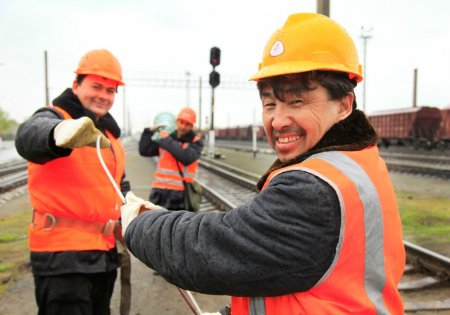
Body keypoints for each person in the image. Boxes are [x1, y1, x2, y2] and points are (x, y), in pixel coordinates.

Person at [122, 12, 405, 315]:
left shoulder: (316, 189)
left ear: (344, 105)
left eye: (297, 101)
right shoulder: (359, 162)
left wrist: (138, 225)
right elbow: (297, 275)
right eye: (270, 104)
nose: (278, 120)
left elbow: (210, 249)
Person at [15, 49, 130, 315]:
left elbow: (117, 183)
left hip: (103, 255)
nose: (103, 95)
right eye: (96, 86)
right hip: (62, 257)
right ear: (76, 85)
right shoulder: (55, 118)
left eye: (111, 90)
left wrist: (132, 208)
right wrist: (58, 133)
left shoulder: (110, 136)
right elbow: (28, 136)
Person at [138, 107, 204, 210]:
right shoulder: (167, 138)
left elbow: (186, 158)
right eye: (181, 122)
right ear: (176, 122)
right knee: (154, 224)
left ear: (192, 126)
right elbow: (144, 150)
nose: (183, 126)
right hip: (158, 191)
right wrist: (148, 132)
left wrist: (166, 139)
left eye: (187, 124)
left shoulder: (195, 142)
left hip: (179, 195)